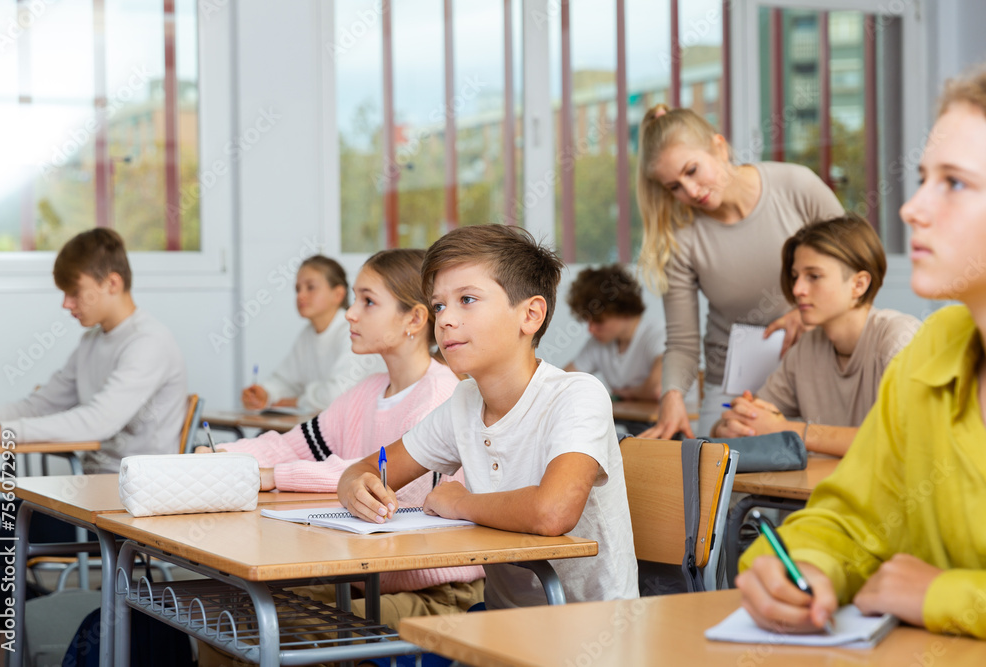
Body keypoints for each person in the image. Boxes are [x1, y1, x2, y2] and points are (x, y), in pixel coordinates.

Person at [737, 65, 986, 639]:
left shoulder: (903, 342)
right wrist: (802, 564)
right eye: (923, 177)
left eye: (954, 182)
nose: (912, 208)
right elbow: (856, 518)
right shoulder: (933, 354)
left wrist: (942, 595)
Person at [339, 224, 638, 609]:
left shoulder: (577, 395)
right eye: (439, 305)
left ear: (530, 315)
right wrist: (354, 486)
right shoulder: (464, 401)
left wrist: (459, 503)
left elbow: (553, 512)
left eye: (467, 299)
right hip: (501, 622)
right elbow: (368, 467)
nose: (444, 320)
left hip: (590, 628)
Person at [196, 249, 483, 647]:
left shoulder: (439, 395)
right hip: (366, 579)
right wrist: (219, 459)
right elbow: (292, 444)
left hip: (436, 592)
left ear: (414, 319)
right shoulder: (365, 392)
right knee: (231, 613)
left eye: (367, 301)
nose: (350, 314)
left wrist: (270, 477)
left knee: (267, 625)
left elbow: (391, 488)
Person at [636, 106, 845, 438]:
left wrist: (804, 314)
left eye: (692, 170)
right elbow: (682, 341)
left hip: (814, 367)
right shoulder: (679, 238)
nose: (690, 192)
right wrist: (671, 396)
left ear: (719, 146)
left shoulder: (796, 186)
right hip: (734, 387)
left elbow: (859, 266)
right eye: (674, 186)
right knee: (714, 480)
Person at [712, 216, 920, 456]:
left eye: (814, 276)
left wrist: (784, 428)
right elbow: (755, 417)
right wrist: (730, 425)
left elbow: (903, 437)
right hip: (819, 490)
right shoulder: (806, 349)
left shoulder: (899, 338)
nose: (797, 289)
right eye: (795, 276)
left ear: (858, 285)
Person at [0, 229, 187, 473]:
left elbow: (99, 421)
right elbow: (39, 406)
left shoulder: (149, 342)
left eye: (74, 292)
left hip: (139, 489)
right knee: (8, 506)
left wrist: (6, 432)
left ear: (112, 283)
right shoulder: (90, 341)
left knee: (8, 507)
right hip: (92, 480)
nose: (66, 304)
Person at [241, 254, 383, 413]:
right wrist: (265, 393)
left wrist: (295, 401)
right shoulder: (307, 335)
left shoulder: (353, 333)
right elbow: (287, 380)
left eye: (310, 287)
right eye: (297, 289)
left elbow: (337, 395)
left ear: (338, 294)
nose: (301, 295)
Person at [565, 264, 665, 401]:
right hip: (631, 420)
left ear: (625, 313)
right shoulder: (598, 343)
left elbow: (657, 388)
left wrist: (628, 393)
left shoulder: (658, 334)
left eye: (599, 321)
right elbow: (562, 382)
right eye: (587, 320)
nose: (590, 329)